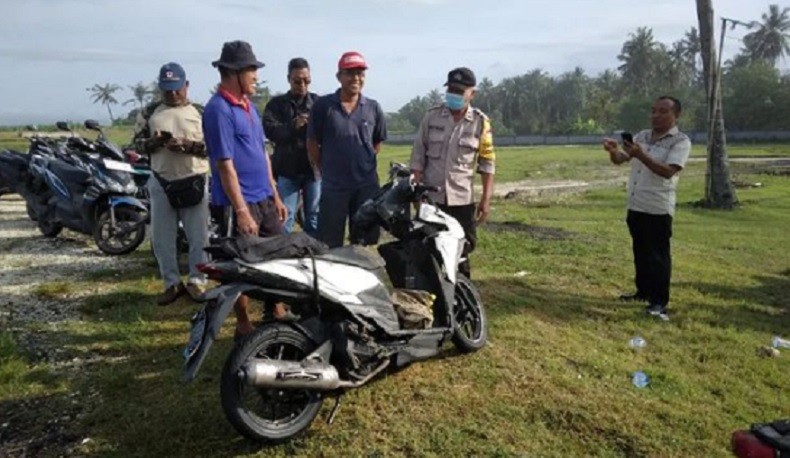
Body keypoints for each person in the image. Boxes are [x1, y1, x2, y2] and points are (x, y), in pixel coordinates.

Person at [202, 40, 290, 338]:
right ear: (233, 72)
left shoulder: (250, 108)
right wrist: (240, 210)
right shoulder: (219, 110)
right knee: (238, 265)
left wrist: (275, 194)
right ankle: (242, 322)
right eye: (251, 70)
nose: (256, 76)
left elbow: (262, 153)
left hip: (264, 198)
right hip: (236, 203)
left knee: (279, 253)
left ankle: (275, 306)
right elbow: (225, 165)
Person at [602, 96, 691, 319]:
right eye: (653, 111)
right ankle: (642, 292)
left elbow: (668, 171)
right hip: (636, 204)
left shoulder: (680, 141)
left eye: (663, 111)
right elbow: (622, 159)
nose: (656, 115)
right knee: (640, 251)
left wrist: (642, 155)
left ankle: (659, 300)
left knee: (658, 255)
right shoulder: (642, 136)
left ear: (675, 115)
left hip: (658, 207)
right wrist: (614, 151)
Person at [133, 62, 209, 305]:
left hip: (194, 179)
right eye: (167, 90)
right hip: (161, 180)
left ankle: (197, 281)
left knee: (199, 236)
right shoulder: (149, 112)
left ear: (186, 85)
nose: (173, 94)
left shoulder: (201, 112)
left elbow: (215, 148)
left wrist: (189, 146)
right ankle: (171, 283)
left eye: (177, 89)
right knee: (162, 237)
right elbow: (135, 145)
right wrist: (154, 143)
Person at [409, 67, 495, 279]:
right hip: (432, 199)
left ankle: (462, 299)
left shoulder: (480, 122)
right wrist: (417, 195)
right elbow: (418, 156)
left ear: (471, 93)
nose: (453, 95)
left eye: (459, 91)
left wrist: (486, 199)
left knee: (462, 252)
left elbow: (487, 162)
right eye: (451, 90)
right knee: (429, 250)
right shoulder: (432, 117)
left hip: (462, 201)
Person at [306, 51, 387, 248]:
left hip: (365, 186)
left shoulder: (373, 107)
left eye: (360, 73)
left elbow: (377, 143)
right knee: (330, 242)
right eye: (350, 73)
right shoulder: (323, 106)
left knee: (363, 242)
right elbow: (312, 143)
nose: (356, 78)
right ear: (339, 76)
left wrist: (360, 165)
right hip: (334, 186)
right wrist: (324, 169)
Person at [262, 57, 320, 237]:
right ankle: (283, 255)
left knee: (314, 217)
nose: (302, 85)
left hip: (313, 170)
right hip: (288, 170)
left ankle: (315, 254)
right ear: (289, 79)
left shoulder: (318, 103)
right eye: (297, 81)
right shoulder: (276, 105)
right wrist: (293, 125)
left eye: (306, 80)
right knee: (285, 218)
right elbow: (270, 131)